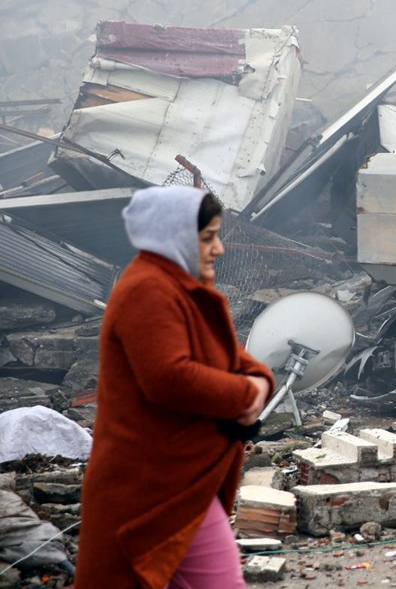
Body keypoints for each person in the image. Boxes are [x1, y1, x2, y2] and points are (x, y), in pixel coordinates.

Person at [75, 186, 274, 588]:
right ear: (173, 237)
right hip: (156, 489)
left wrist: (260, 381)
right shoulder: (148, 291)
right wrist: (247, 395)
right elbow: (170, 377)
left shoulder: (176, 288)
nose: (218, 249)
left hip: (179, 481)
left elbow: (226, 357)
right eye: (207, 238)